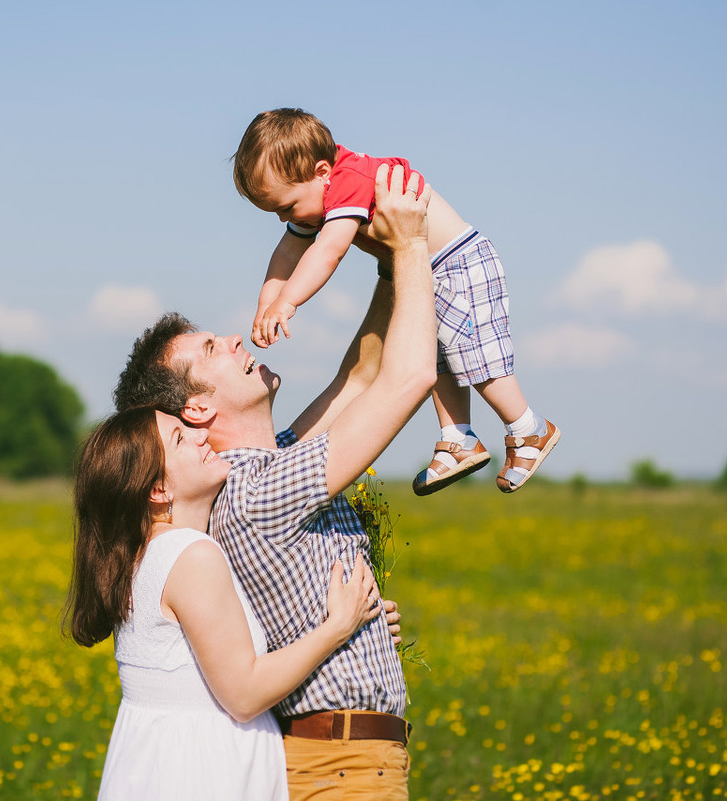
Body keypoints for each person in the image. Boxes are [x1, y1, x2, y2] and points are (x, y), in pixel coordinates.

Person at [113, 164, 434, 800]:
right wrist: (414, 245)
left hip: (344, 756)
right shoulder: (259, 488)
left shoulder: (273, 464)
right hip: (344, 764)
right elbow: (407, 379)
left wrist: (385, 266)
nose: (234, 340)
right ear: (198, 410)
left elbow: (364, 375)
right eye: (210, 351)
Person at [65, 406, 387, 800]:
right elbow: (244, 694)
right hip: (205, 770)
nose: (201, 435)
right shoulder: (191, 555)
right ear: (158, 490)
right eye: (181, 438)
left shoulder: (145, 558)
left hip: (160, 763)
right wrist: (339, 626)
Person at [232, 107, 559, 495]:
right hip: (423, 272)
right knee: (440, 358)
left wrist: (288, 302)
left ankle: (527, 429)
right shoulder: (316, 191)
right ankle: (458, 438)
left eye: (286, 207)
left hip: (459, 262)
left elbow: (329, 250)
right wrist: (266, 301)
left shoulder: (346, 179)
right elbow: (288, 250)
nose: (284, 218)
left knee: (475, 356)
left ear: (321, 172)